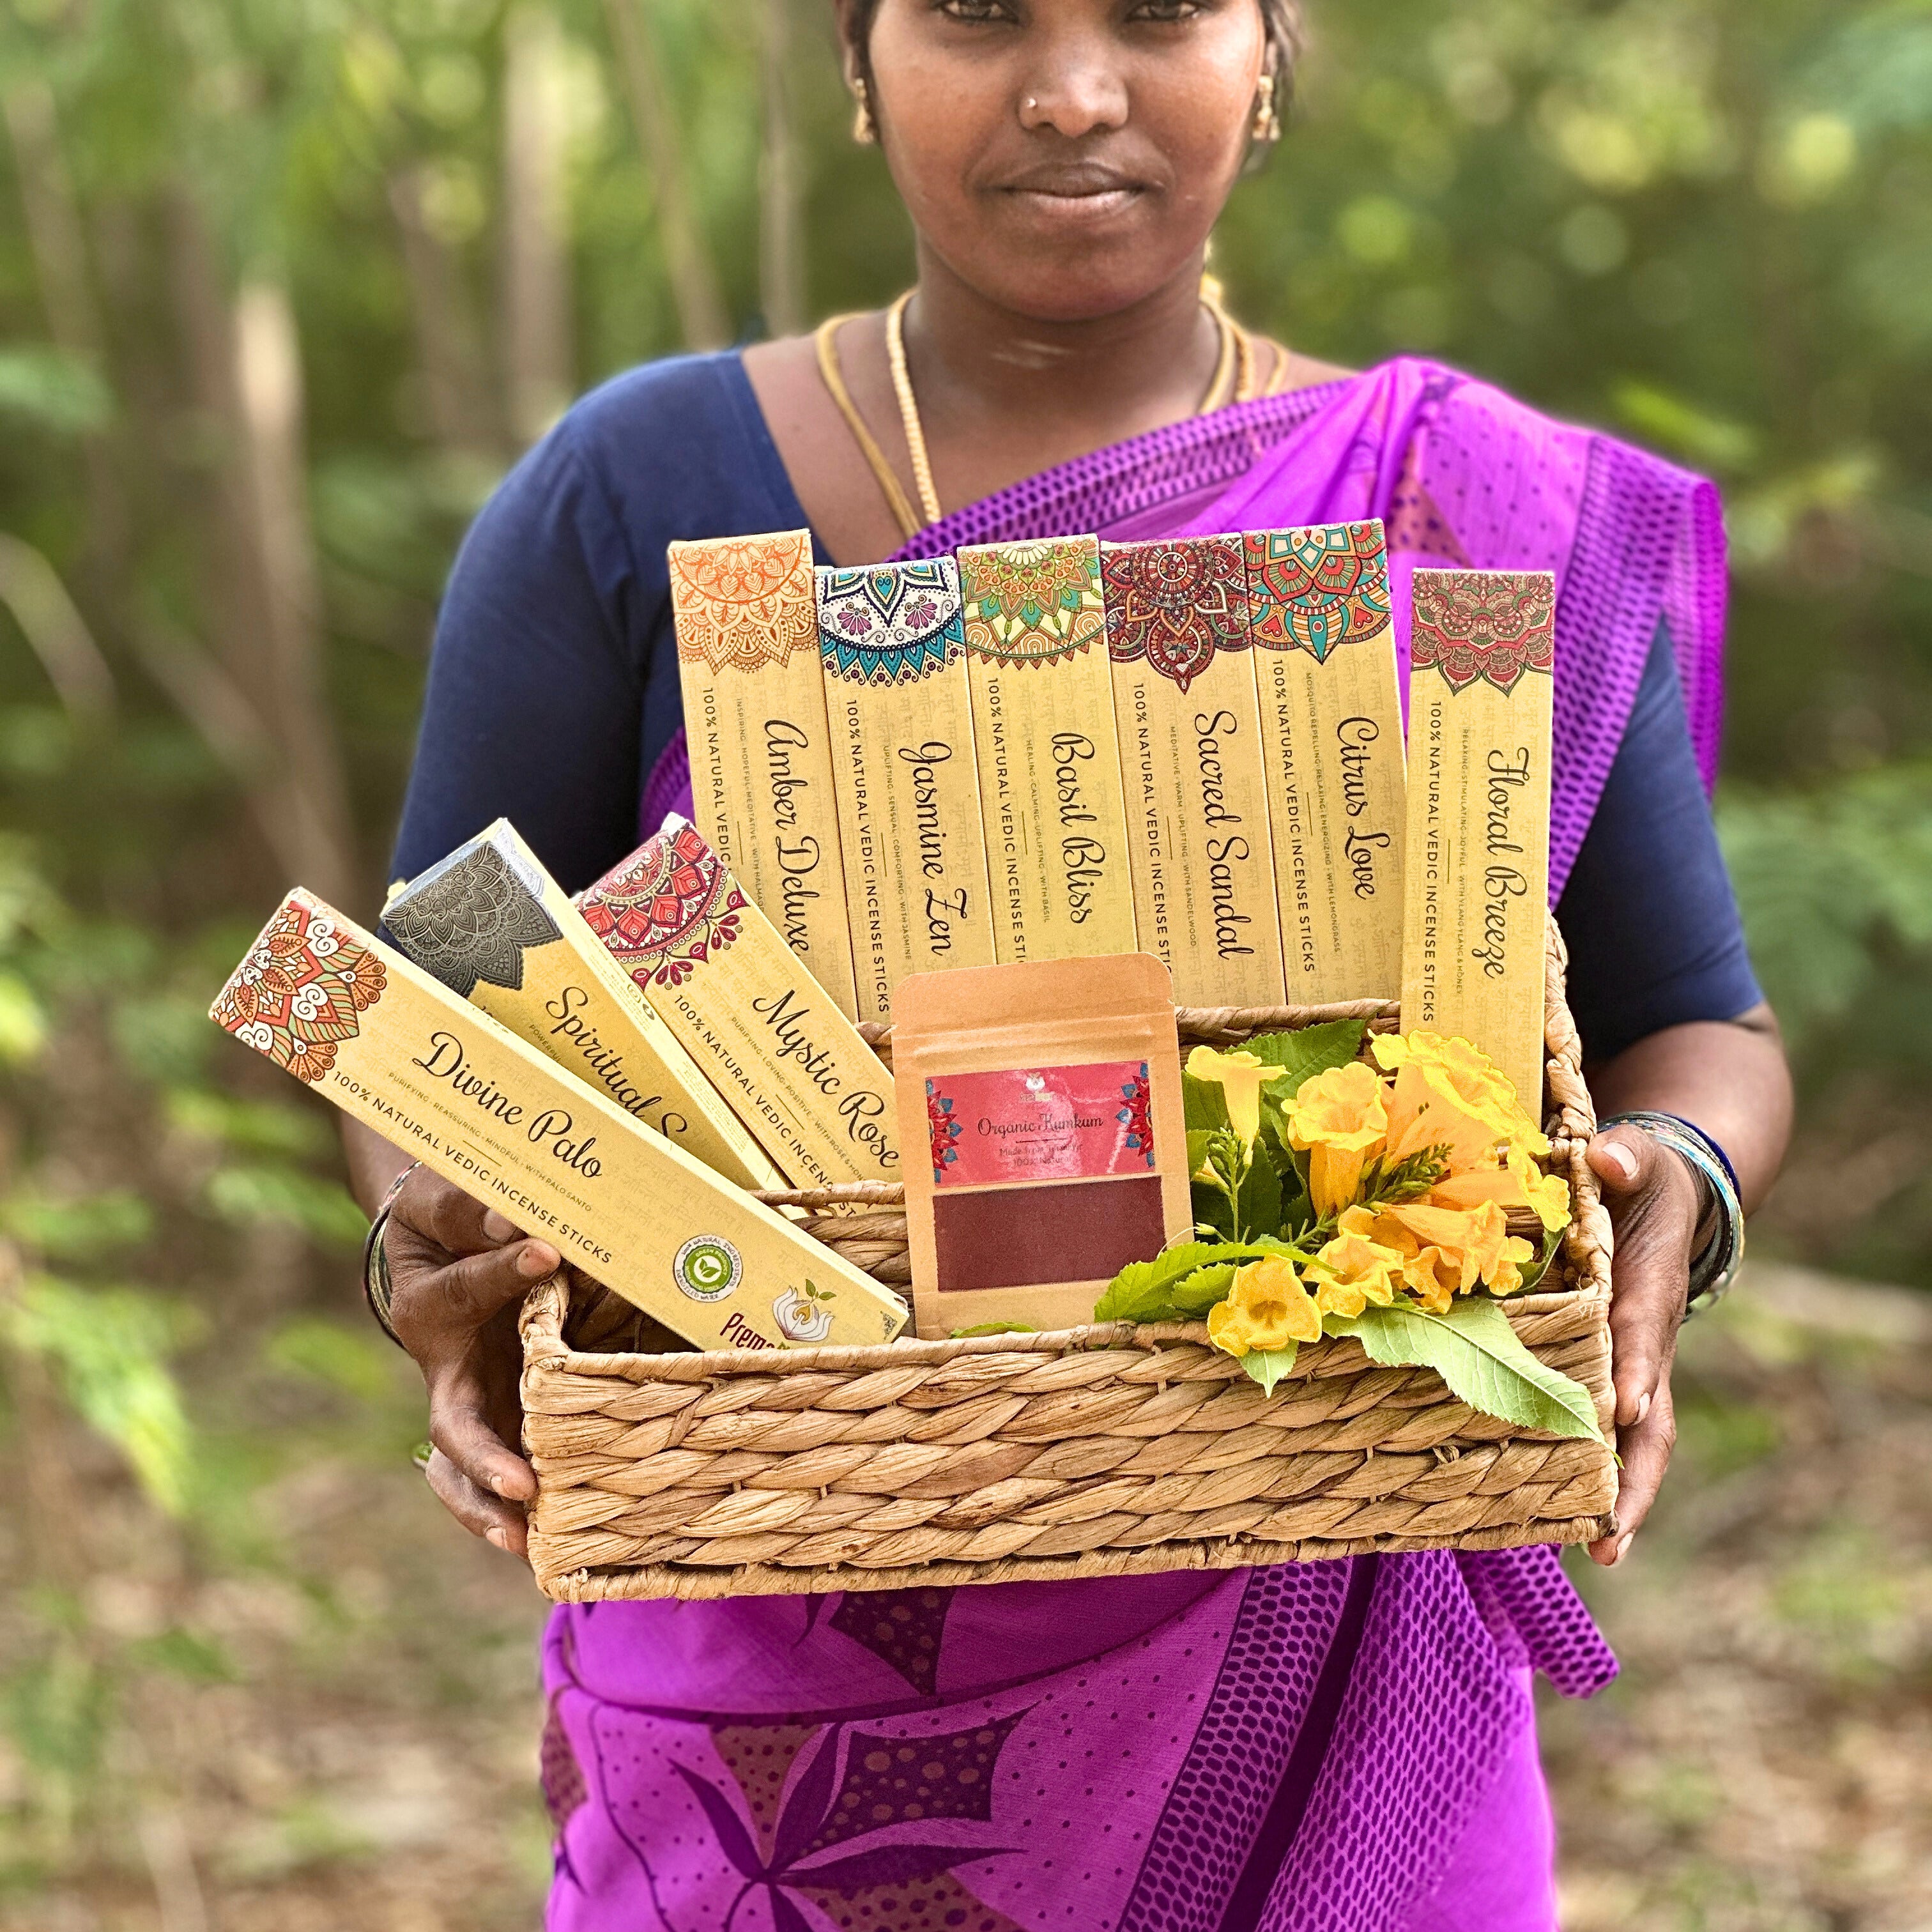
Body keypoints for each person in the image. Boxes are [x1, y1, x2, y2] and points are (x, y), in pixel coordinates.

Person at [348, 1, 1794, 1925]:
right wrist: (434, 1249)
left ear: (1273, 50)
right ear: (855, 65)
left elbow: (1701, 1023)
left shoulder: (1447, 506)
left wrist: (1669, 1187)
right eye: (973, 10)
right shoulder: (633, 488)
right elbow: (442, 991)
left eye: (1160, 9)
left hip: (1350, 1672)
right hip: (781, 1717)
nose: (1074, 89)